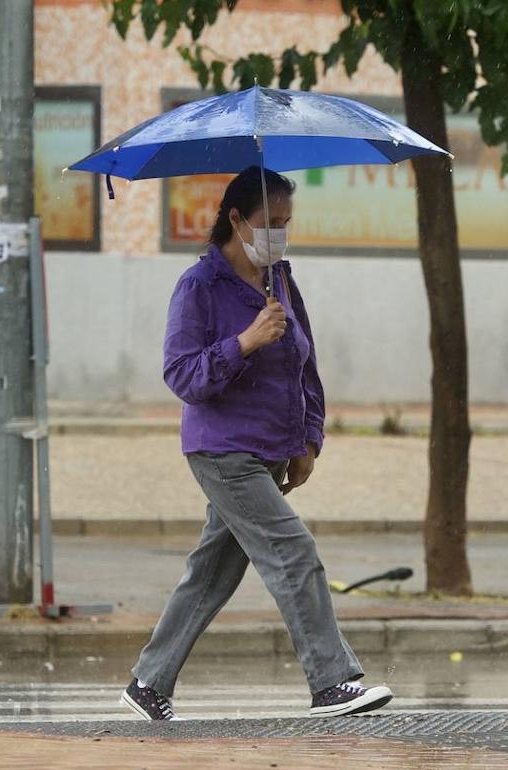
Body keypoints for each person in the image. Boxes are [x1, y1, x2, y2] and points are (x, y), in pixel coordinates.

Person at [120, 166, 392, 720]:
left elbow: (304, 365)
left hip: (269, 452)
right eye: (272, 222)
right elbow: (181, 375)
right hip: (222, 451)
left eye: (288, 223)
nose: (281, 234)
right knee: (294, 552)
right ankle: (331, 681)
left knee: (212, 572)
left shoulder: (281, 281)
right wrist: (243, 343)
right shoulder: (199, 287)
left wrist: (308, 440)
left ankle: (147, 683)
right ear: (237, 219)